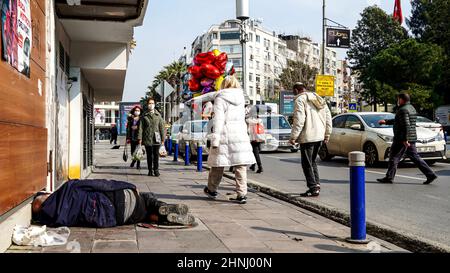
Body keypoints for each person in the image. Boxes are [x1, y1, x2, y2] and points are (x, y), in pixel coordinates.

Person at [31, 179, 195, 228]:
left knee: (141, 214)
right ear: (46, 195)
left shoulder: (53, 220)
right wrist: (129, 185)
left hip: (114, 219)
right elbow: (102, 184)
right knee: (146, 199)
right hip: (116, 199)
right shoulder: (69, 187)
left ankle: (160, 217)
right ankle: (161, 208)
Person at [203, 75, 256, 204]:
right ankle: (242, 194)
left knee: (218, 164)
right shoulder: (241, 98)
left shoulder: (221, 98)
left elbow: (219, 119)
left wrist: (215, 138)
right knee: (240, 165)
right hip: (240, 134)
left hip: (225, 134)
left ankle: (211, 189)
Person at [377, 93, 438, 184]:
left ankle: (389, 177)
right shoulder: (411, 108)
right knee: (415, 157)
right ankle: (430, 174)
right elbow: (399, 120)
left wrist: (405, 139)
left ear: (401, 99)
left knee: (394, 157)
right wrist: (386, 122)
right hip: (410, 137)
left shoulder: (403, 110)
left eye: (398, 99)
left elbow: (406, 125)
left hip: (401, 138)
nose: (397, 101)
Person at [289, 82, 332, 197]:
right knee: (312, 162)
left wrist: (293, 137)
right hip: (319, 135)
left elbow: (299, 119)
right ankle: (316, 185)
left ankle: (313, 187)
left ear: (297, 90)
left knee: (306, 163)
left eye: (293, 91)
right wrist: (327, 134)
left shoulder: (300, 100)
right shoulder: (319, 99)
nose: (293, 94)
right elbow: (328, 118)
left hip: (308, 136)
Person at [138, 98, 165, 177]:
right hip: (147, 138)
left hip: (157, 138)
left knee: (156, 155)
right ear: (147, 105)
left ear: (154, 104)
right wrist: (140, 139)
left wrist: (163, 139)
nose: (151, 105)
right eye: (149, 103)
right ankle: (150, 170)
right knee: (149, 155)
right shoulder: (144, 116)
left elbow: (162, 128)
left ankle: (156, 170)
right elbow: (140, 128)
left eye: (152, 103)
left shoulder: (158, 115)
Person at [127, 105, 143, 169]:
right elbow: (128, 129)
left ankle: (138, 164)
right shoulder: (131, 119)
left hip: (138, 137)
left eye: (138, 110)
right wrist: (128, 137)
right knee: (132, 151)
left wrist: (137, 128)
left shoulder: (141, 119)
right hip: (132, 137)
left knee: (138, 150)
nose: (137, 112)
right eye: (136, 110)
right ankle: (134, 160)